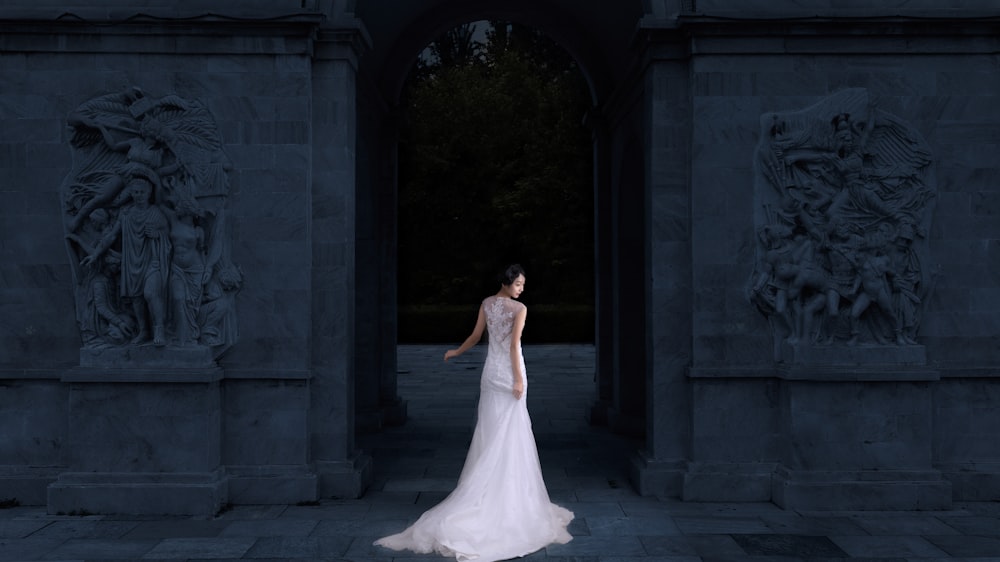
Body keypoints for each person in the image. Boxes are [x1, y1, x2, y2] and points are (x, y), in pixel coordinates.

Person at [374, 264, 573, 562]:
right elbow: (514, 346)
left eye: (522, 285)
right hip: (507, 374)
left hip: (491, 374)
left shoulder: (486, 304)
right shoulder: (519, 309)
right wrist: (518, 379)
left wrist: (457, 351)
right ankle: (504, 496)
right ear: (507, 283)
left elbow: (476, 335)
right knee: (510, 432)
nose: (521, 289)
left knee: (492, 430)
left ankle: (490, 489)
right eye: (518, 284)